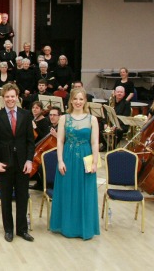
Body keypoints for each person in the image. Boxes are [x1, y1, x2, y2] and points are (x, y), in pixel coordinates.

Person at [49, 88, 100, 240]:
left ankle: (84, 228)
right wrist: (60, 160)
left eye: (81, 99)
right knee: (68, 191)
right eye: (75, 99)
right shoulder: (64, 118)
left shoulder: (92, 119)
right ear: (70, 100)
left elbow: (95, 142)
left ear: (85, 101)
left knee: (85, 192)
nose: (78, 102)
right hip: (68, 157)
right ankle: (68, 227)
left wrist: (95, 162)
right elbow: (59, 140)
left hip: (86, 157)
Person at [0, 83, 35, 243]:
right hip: (5, 163)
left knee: (23, 197)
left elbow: (30, 141)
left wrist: (30, 160)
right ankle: (8, 230)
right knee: (6, 198)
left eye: (12, 96)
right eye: (7, 96)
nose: (10, 99)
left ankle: (22, 230)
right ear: (3, 98)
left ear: (17, 97)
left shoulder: (26, 114)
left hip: (23, 163)